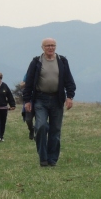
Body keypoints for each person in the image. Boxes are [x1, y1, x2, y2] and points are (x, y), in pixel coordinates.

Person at [22, 38, 76, 167]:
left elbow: (69, 80)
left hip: (57, 100)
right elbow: (29, 82)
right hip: (40, 99)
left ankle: (52, 159)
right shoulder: (36, 62)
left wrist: (69, 97)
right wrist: (27, 100)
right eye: (48, 46)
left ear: (56, 47)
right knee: (40, 126)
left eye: (53, 45)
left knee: (55, 131)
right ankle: (43, 157)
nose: (50, 48)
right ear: (42, 47)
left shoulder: (62, 61)